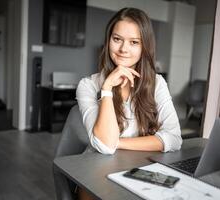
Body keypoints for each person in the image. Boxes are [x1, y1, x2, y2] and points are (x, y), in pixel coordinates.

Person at [76, 7, 182, 200]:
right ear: (108, 41)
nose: (124, 49)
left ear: (144, 47)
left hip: (139, 168)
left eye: (134, 42)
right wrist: (107, 88)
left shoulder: (157, 83)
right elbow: (105, 148)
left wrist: (118, 143)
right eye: (117, 39)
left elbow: (174, 139)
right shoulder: (88, 85)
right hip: (96, 169)